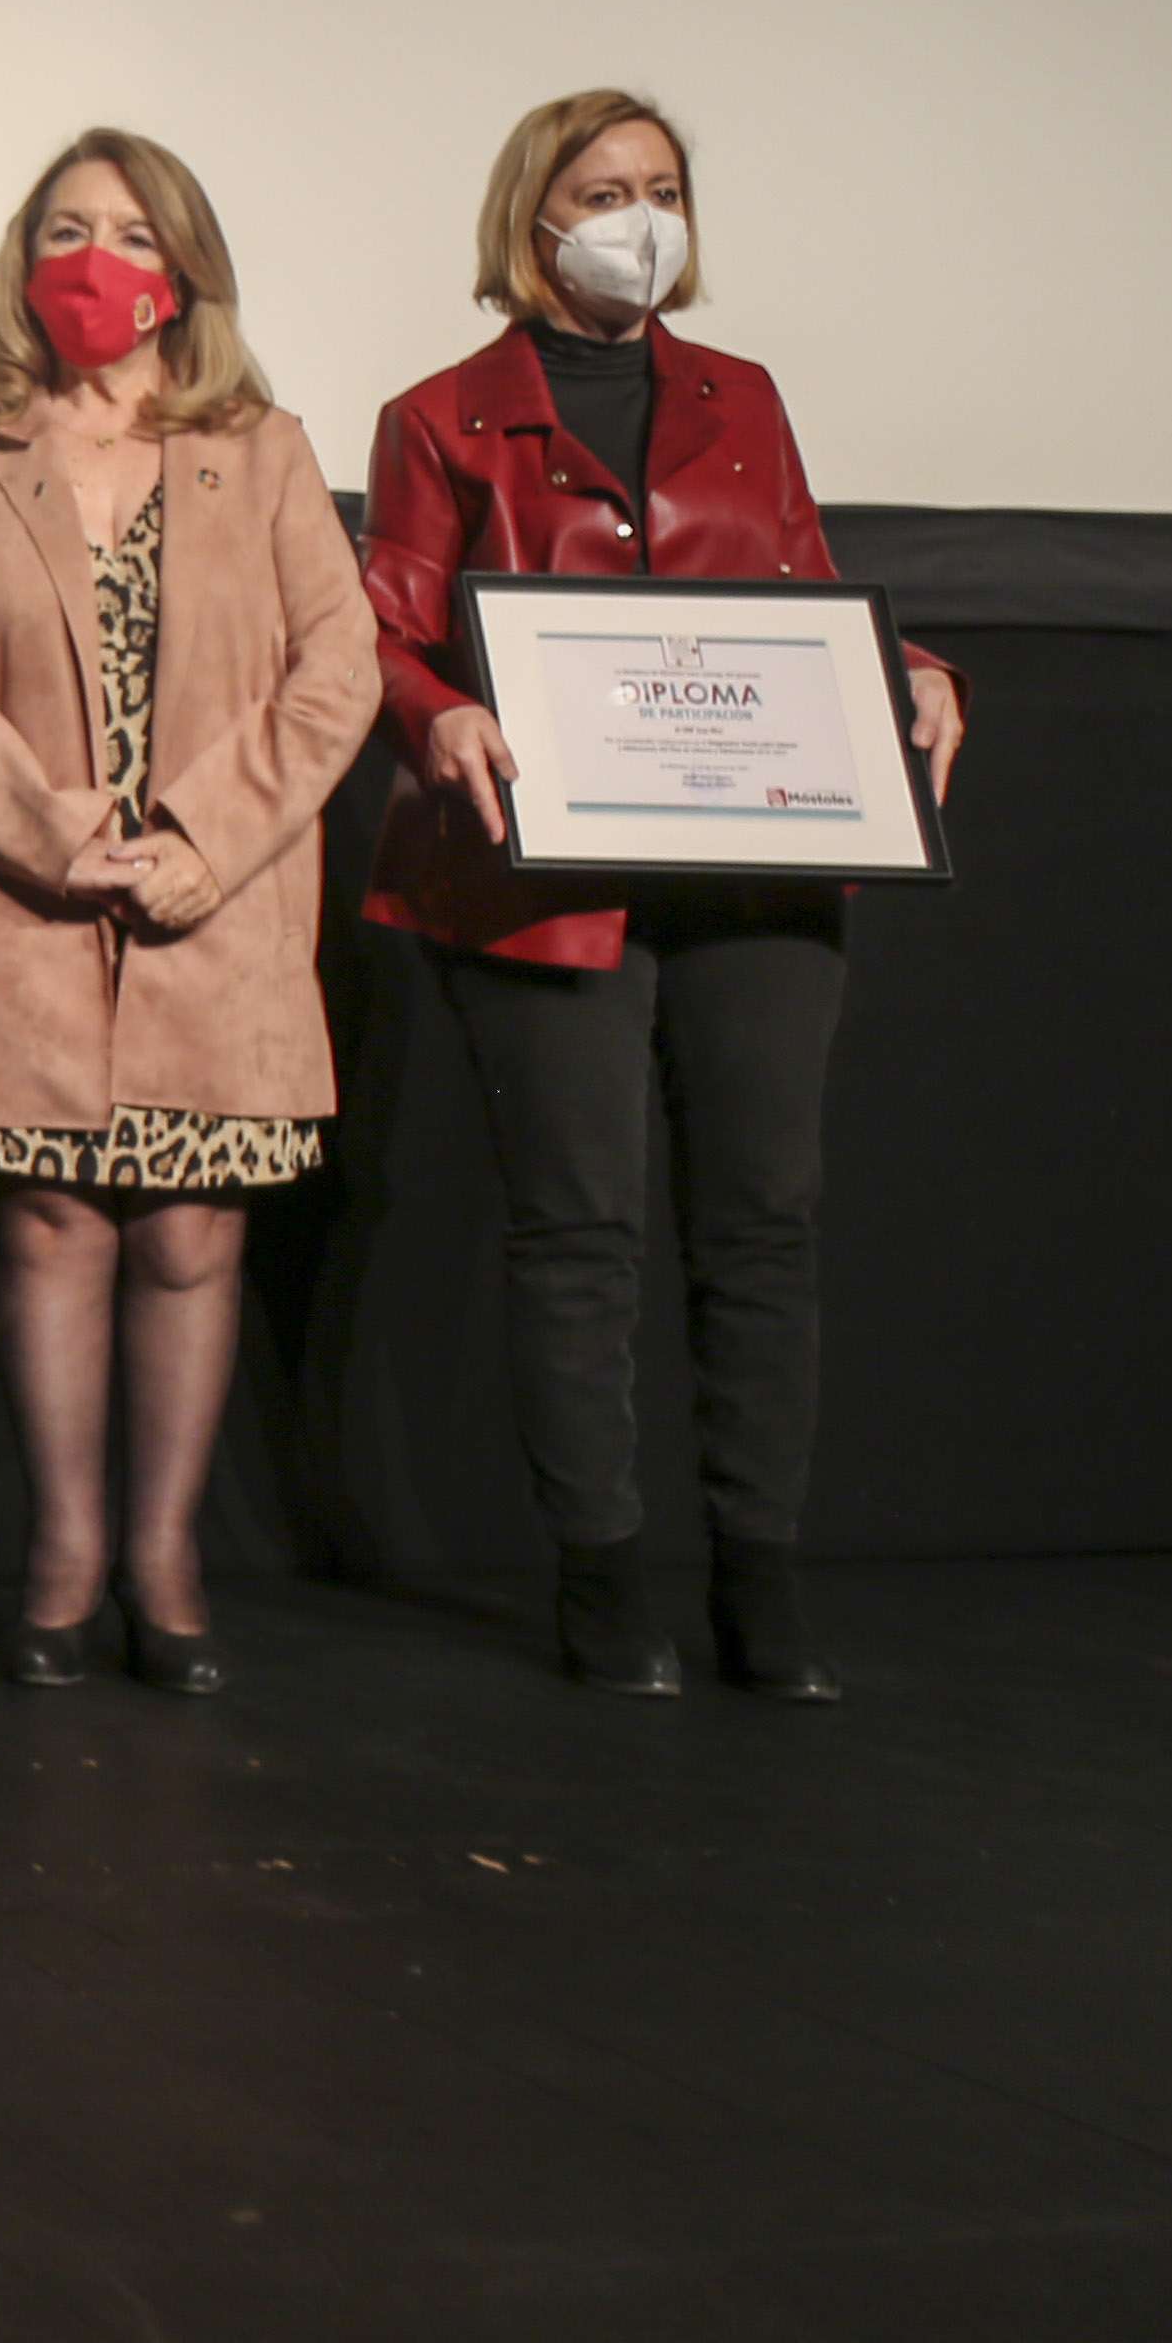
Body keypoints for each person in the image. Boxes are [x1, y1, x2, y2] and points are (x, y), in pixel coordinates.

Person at [360, 91, 962, 1701]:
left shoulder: (742, 397)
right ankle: (606, 1583)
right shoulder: (440, 415)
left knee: (762, 1230)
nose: (640, 217)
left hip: (757, 863)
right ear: (533, 221)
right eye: (605, 190)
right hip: (541, 872)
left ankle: (761, 1586)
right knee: (580, 1236)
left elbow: (804, 590)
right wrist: (443, 713)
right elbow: (377, 630)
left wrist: (907, 672)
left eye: (664, 188)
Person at [0, 130, 378, 1695]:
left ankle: (165, 1557)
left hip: (213, 918)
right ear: (30, 267)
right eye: (69, 230)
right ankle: (65, 1555)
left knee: (189, 1233)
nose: (101, 261)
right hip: (36, 912)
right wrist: (63, 834)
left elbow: (335, 672)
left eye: (134, 233)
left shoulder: (269, 451)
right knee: (48, 1225)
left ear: (186, 273)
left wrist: (199, 840)